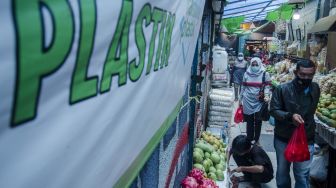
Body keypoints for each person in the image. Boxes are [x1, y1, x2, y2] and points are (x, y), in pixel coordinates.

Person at [270, 59, 320, 188]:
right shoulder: (282, 89)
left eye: (310, 75)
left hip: (306, 138)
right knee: (282, 172)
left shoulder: (315, 88)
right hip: (284, 138)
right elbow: (274, 110)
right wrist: (290, 116)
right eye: (303, 74)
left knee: (302, 175)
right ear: (295, 72)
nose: (306, 78)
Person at [239, 57, 271, 145]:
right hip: (247, 100)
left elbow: (267, 86)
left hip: (259, 101)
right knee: (249, 121)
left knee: (258, 121)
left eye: (257, 64)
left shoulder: (265, 74)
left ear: (260, 64)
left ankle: (256, 140)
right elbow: (243, 87)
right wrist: (240, 99)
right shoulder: (247, 73)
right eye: (253, 64)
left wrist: (266, 94)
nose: (255, 66)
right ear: (250, 64)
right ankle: (249, 139)